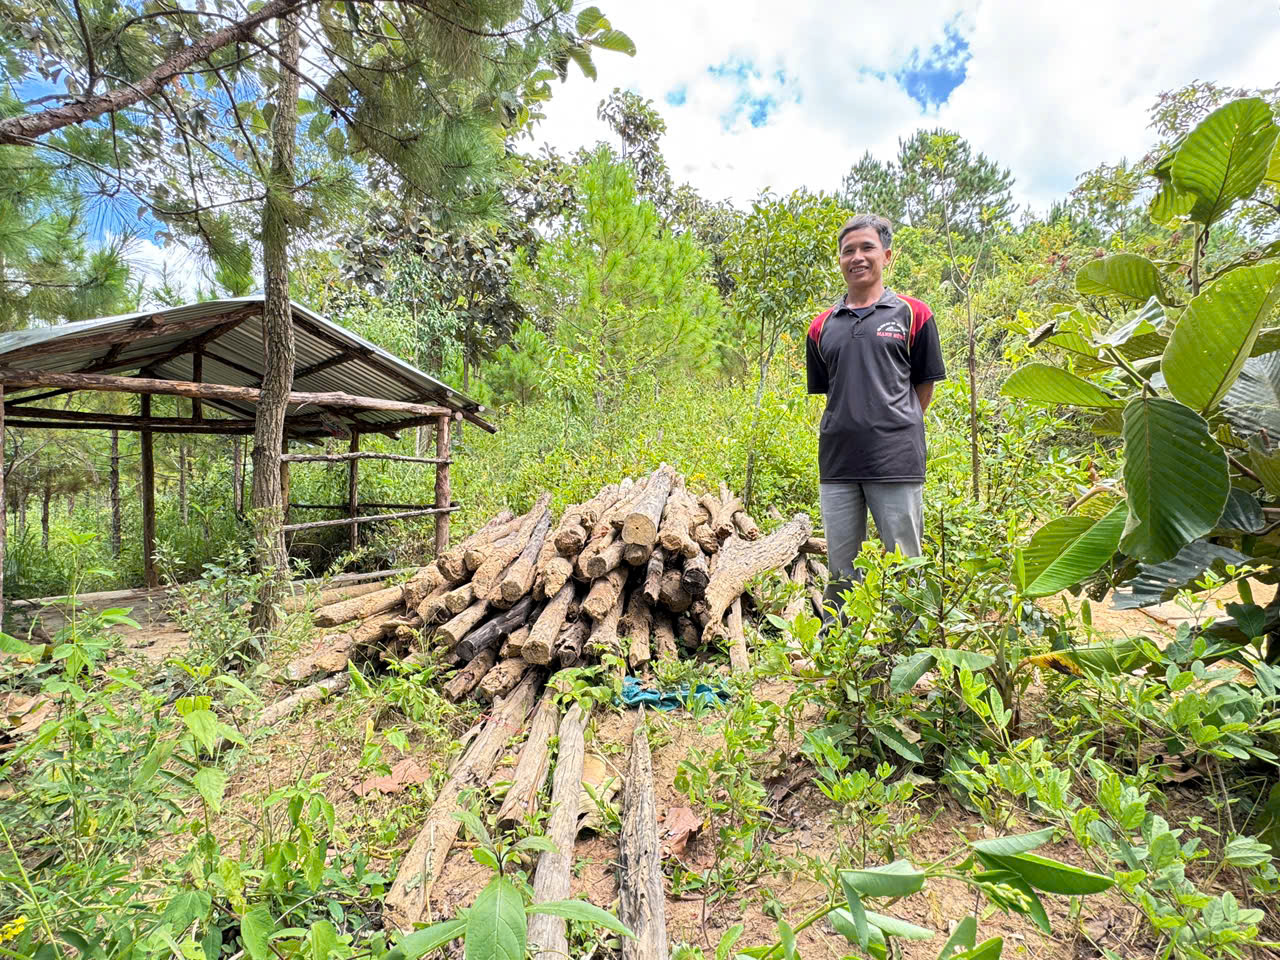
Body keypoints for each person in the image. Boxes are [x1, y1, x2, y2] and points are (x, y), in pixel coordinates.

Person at [805, 214, 946, 612]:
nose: (857, 257)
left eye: (867, 248)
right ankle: (842, 658)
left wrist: (895, 428)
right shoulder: (821, 327)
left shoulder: (914, 314)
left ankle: (906, 658)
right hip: (838, 464)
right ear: (839, 261)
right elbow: (832, 391)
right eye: (848, 250)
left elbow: (924, 384)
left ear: (886, 255)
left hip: (896, 462)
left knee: (903, 565)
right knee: (842, 570)